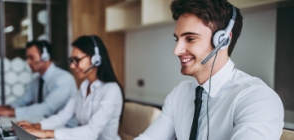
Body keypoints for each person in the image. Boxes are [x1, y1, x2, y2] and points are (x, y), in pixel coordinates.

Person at [135, 0, 284, 140]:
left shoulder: (257, 99)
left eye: (190, 38)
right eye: (177, 39)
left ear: (223, 40)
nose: (176, 50)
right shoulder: (179, 94)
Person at [16, 35, 125, 140]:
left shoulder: (111, 90)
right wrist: (36, 126)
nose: (72, 66)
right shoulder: (84, 87)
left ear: (95, 59)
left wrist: (46, 133)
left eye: (77, 60)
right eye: (72, 61)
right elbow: (62, 117)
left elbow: (91, 132)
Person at [0, 40, 77, 118]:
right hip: (43, 125)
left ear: (45, 57)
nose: (28, 62)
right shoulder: (36, 81)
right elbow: (22, 101)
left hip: (65, 128)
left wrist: (12, 112)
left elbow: (47, 108)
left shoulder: (64, 79)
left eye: (31, 57)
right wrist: (3, 108)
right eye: (27, 58)